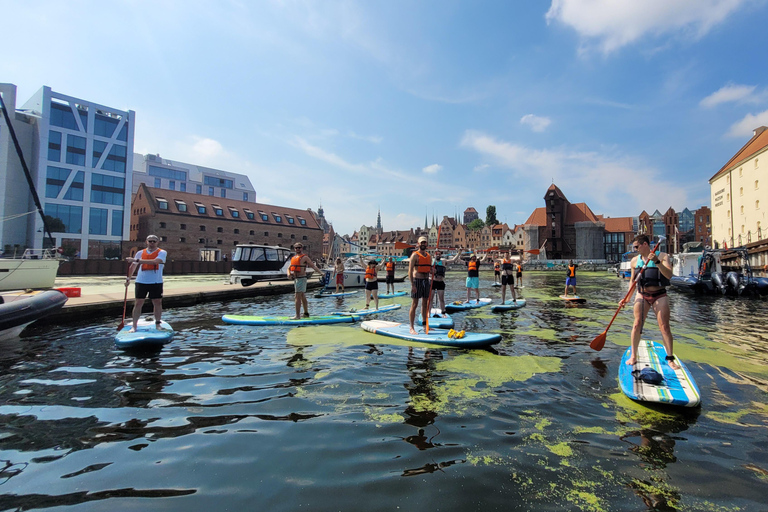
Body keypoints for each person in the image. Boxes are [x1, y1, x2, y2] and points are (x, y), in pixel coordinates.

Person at [620, 235, 678, 370]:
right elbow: (632, 281)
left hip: (659, 295)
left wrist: (657, 262)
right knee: (636, 324)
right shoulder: (635, 261)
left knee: (664, 327)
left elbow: (669, 275)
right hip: (642, 294)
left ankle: (670, 358)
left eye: (636, 247)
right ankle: (633, 356)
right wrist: (627, 299)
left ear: (645, 244)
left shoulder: (662, 256)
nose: (635, 249)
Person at [125, 235, 167, 333]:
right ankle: (134, 326)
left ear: (157, 242)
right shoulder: (140, 253)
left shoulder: (162, 252)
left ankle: (158, 324)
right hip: (141, 281)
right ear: (146, 242)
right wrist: (128, 278)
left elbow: (155, 262)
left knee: (157, 302)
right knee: (138, 303)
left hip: (156, 281)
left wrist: (136, 260)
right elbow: (133, 266)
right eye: (150, 241)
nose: (152, 243)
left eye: (154, 241)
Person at [287, 242, 324, 319]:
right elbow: (288, 268)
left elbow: (313, 266)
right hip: (296, 279)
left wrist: (321, 273)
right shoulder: (294, 258)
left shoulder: (305, 258)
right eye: (296, 248)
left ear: (302, 248)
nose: (297, 249)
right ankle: (306, 313)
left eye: (299, 247)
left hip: (302, 278)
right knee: (302, 295)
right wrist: (289, 274)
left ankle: (297, 316)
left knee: (297, 296)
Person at [408, 236, 432, 334]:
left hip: (426, 281)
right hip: (417, 280)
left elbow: (429, 269)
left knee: (425, 303)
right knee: (415, 304)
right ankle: (411, 327)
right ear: (418, 244)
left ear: (426, 244)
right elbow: (410, 271)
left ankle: (425, 325)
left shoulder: (429, 256)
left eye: (424, 242)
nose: (423, 244)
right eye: (421, 242)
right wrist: (412, 284)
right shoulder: (414, 255)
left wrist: (433, 270)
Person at [431, 250, 447, 316]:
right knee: (430, 299)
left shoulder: (443, 262)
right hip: (433, 282)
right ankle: (428, 313)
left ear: (441, 255)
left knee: (441, 299)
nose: (438, 255)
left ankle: (443, 313)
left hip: (440, 282)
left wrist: (459, 253)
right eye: (437, 254)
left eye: (439, 254)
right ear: (434, 255)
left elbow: (453, 260)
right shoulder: (431, 261)